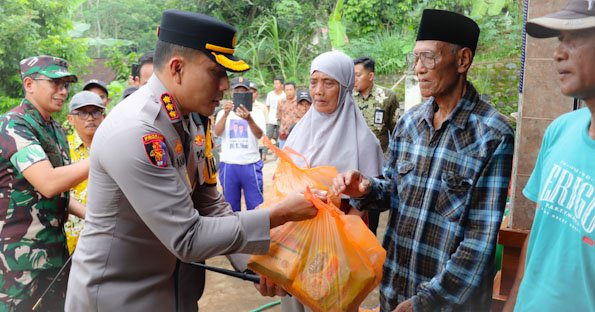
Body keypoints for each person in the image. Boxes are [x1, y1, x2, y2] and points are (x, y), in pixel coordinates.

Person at [64, 11, 317, 311]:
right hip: (116, 297)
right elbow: (188, 236)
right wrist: (278, 214)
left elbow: (208, 202)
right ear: (177, 69)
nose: (225, 85)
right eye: (215, 72)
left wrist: (253, 264)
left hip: (167, 291)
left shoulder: (192, 120)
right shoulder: (137, 130)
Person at [333, 10, 514, 312]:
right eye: (415, 59)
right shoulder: (410, 123)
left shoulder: (491, 135)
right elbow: (393, 189)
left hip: (446, 305)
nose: (418, 69)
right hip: (395, 289)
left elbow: (479, 243)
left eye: (427, 58)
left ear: (462, 61)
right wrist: (365, 189)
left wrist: (425, 302)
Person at [503, 1, 595, 311]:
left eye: (575, 38)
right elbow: (540, 234)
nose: (558, 53)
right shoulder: (561, 130)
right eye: (559, 40)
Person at [281, 50, 385, 312]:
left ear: (346, 86)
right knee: (294, 302)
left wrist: (341, 225)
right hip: (296, 241)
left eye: (329, 83)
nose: (318, 91)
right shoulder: (299, 133)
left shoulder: (364, 141)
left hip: (338, 249)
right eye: (314, 82)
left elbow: (372, 199)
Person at [0, 55, 89, 311]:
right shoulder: (13, 126)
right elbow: (48, 182)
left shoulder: (56, 129)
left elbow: (57, 191)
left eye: (66, 85)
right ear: (29, 84)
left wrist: (90, 215)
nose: (63, 91)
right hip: (18, 260)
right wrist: (104, 154)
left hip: (54, 253)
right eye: (55, 83)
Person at [214, 76, 266, 212]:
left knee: (255, 206)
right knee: (230, 206)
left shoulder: (257, 113)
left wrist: (249, 119)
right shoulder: (223, 113)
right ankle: (235, 232)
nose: (240, 94)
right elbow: (218, 133)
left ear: (249, 93)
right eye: (237, 91)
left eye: (244, 91)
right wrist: (225, 115)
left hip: (251, 164)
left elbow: (259, 135)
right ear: (231, 92)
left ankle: (255, 232)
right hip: (229, 164)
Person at [64, 91, 106, 255]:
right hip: (71, 238)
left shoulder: (113, 145)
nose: (90, 118)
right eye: (82, 113)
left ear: (103, 116)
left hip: (107, 237)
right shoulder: (61, 149)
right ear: (70, 119)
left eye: (95, 112)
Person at [353, 57, 400, 153]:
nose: (354, 79)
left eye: (357, 75)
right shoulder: (348, 98)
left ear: (370, 76)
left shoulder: (388, 97)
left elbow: (397, 132)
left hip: (380, 158)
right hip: (353, 157)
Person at [264, 76, 285, 156]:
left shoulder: (284, 95)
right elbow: (268, 107)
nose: (275, 85)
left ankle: (277, 154)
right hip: (271, 119)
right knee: (268, 137)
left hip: (281, 119)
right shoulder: (270, 94)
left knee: (279, 137)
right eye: (274, 84)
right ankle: (264, 154)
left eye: (277, 84)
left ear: (281, 85)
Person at [250, 82, 269, 160]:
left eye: (253, 92)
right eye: (249, 92)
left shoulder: (262, 107)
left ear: (257, 93)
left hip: (259, 141)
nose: (251, 94)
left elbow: (266, 124)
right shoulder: (240, 106)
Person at [276, 81, 297, 149]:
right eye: (287, 90)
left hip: (296, 132)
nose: (289, 92)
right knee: (283, 154)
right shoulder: (281, 102)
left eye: (291, 89)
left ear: (295, 90)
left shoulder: (299, 102)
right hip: (283, 133)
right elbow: (278, 116)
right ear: (284, 91)